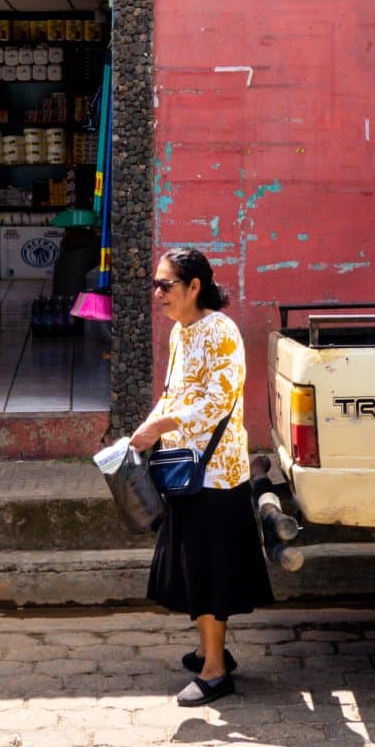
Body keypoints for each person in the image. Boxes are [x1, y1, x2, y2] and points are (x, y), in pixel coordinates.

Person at [125, 247, 268, 706]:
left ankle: (214, 671)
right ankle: (211, 650)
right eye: (156, 284)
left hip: (216, 475)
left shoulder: (221, 333)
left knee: (208, 573)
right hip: (185, 471)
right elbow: (173, 396)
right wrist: (143, 430)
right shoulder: (181, 333)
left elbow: (216, 403)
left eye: (166, 285)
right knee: (194, 569)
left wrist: (158, 428)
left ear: (194, 288)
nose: (158, 294)